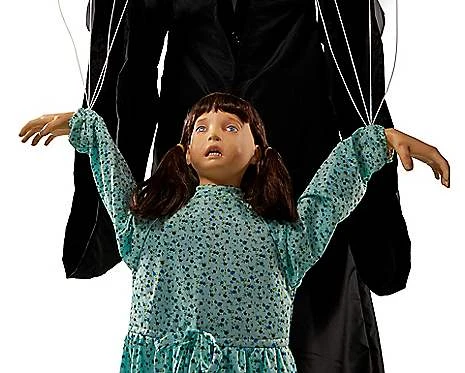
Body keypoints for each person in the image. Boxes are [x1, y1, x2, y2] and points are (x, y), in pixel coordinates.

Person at [64, 0, 410, 371]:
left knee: (306, 270)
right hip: (197, 146)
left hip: (295, 143)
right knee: (190, 275)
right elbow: (128, 45)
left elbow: (355, 31)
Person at [19, 92, 449, 373]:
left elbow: (326, 198)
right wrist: (89, 131)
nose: (213, 134)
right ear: (186, 154)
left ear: (258, 151)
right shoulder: (149, 225)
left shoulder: (284, 235)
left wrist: (376, 143)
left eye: (230, 126)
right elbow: (115, 185)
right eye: (200, 128)